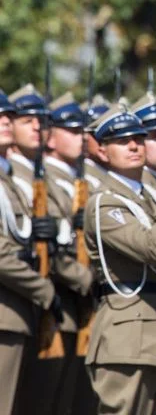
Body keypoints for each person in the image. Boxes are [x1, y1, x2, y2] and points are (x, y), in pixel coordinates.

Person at [83, 106, 156, 415]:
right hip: (129, 340)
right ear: (103, 152)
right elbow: (155, 249)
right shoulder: (105, 203)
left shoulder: (148, 199)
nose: (133, 146)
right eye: (122, 141)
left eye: (137, 138)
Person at [14, 93, 94, 415]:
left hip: (69, 307)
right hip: (44, 299)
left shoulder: (67, 180)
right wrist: (86, 278)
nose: (82, 138)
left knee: (62, 402)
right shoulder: (28, 179)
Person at [0, 90, 60, 415]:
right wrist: (44, 289)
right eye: (0, 116)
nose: (6, 121)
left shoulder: (7, 179)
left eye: (9, 115)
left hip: (15, 311)